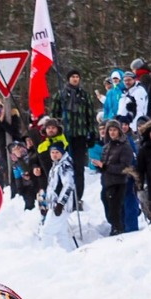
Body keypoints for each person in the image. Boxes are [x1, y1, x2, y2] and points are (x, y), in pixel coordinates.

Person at [51, 69, 95, 207]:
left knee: (78, 168)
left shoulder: (85, 95)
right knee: (63, 167)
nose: (75, 79)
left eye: (77, 77)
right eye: (73, 77)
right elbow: (54, 116)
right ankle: (62, 196)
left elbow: (90, 115)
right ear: (68, 79)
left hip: (80, 135)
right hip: (65, 136)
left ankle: (78, 197)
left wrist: (92, 132)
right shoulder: (61, 95)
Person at [90, 120, 134, 236]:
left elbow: (124, 167)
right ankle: (116, 227)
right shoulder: (106, 147)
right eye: (110, 130)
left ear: (119, 131)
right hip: (107, 182)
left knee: (115, 209)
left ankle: (118, 230)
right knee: (108, 206)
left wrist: (104, 166)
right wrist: (99, 166)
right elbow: (104, 166)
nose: (112, 132)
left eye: (114, 130)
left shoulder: (125, 147)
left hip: (119, 182)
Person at [40, 142, 76, 248]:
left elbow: (68, 185)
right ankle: (67, 255)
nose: (54, 155)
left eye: (57, 152)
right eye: (52, 152)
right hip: (54, 205)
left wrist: (61, 204)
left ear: (62, 153)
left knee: (46, 232)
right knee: (61, 234)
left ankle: (46, 255)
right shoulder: (56, 165)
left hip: (60, 206)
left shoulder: (64, 166)